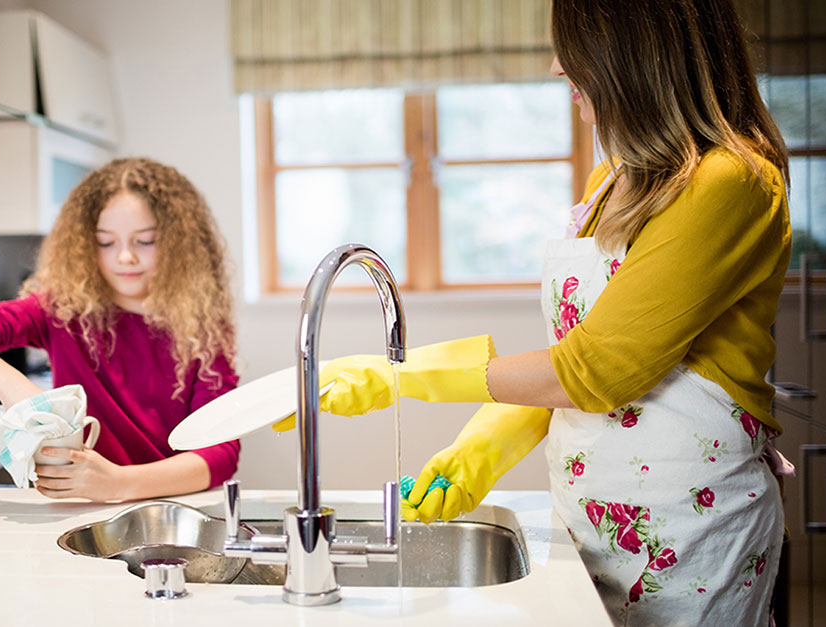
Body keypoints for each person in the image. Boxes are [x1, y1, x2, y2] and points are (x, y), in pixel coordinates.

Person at [302, 1, 790, 624]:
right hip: (589, 517)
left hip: (688, 534)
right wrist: (476, 452)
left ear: (640, 50)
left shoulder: (733, 183)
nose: (559, 66)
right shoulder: (614, 179)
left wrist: (399, 375)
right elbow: (569, 355)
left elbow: (592, 371)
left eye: (576, 46)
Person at [0, 157, 240, 502]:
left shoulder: (202, 330)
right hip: (78, 511)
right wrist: (25, 397)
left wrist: (121, 483)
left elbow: (221, 453)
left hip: (168, 505)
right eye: (106, 242)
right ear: (86, 245)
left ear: (179, 245)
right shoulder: (62, 311)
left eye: (145, 241)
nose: (125, 257)